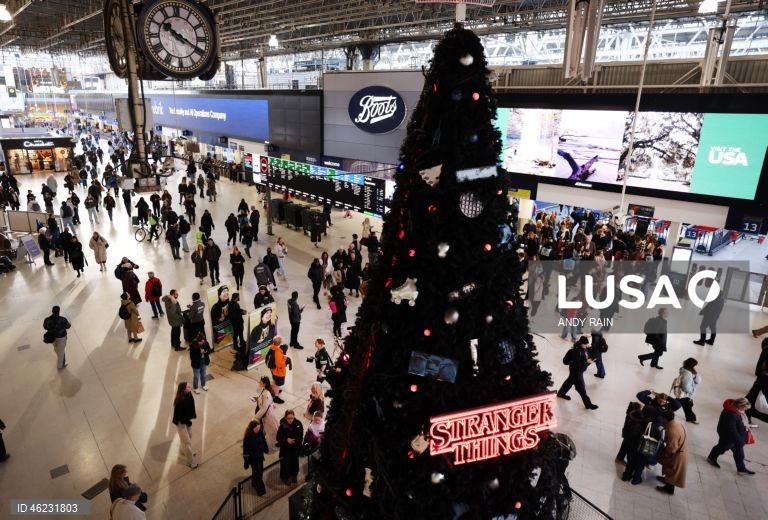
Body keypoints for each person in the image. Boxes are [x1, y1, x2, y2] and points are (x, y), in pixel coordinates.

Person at [707, 397, 756, 475]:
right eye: (745, 408)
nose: (745, 410)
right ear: (740, 405)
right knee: (722, 448)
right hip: (728, 437)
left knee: (739, 453)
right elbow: (731, 429)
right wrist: (739, 440)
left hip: (735, 438)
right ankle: (711, 458)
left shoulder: (737, 411)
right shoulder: (731, 414)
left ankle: (741, 469)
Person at [557, 336, 599, 410]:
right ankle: (588, 404)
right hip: (576, 372)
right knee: (582, 389)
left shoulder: (582, 349)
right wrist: (587, 362)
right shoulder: (576, 352)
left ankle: (561, 393)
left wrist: (589, 360)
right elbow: (577, 364)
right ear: (582, 344)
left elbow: (583, 358)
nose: (586, 346)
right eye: (585, 344)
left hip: (578, 371)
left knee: (569, 381)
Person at [655, 410, 688, 495]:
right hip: (681, 450)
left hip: (677, 454)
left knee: (673, 471)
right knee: (670, 469)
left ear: (665, 419)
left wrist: (666, 454)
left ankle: (669, 489)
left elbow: (672, 448)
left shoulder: (672, 430)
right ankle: (666, 479)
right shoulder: (676, 423)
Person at [171, 382, 198, 468]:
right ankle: (191, 462)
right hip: (180, 422)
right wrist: (187, 421)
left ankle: (184, 451)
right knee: (187, 443)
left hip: (186, 421)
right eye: (188, 387)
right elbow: (179, 417)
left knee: (190, 436)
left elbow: (191, 408)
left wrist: (190, 419)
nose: (190, 387)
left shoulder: (189, 395)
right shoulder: (179, 401)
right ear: (183, 390)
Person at [277, 409, 304, 485]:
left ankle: (294, 475)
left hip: (295, 449)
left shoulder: (298, 423)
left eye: (292, 418)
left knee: (295, 463)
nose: (291, 420)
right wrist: (286, 440)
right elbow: (278, 437)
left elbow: (301, 435)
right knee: (285, 465)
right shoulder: (282, 426)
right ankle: (286, 478)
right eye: (289, 418)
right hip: (286, 450)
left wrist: (297, 442)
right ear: (285, 418)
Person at [243, 420, 269, 496]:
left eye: (259, 428)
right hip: (253, 460)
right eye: (257, 429)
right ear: (252, 428)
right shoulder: (248, 438)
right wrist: (246, 462)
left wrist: (266, 448)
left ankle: (254, 483)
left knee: (259, 472)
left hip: (260, 457)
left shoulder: (260, 433)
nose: (258, 430)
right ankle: (261, 491)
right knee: (258, 474)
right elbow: (246, 451)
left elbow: (263, 441)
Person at [253, 376, 280, 445]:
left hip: (267, 414)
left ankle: (278, 440)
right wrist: (256, 399)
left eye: (261, 382)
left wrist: (256, 417)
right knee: (268, 427)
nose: (259, 382)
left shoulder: (266, 394)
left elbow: (264, 408)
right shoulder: (263, 390)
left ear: (264, 384)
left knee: (273, 428)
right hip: (264, 412)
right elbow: (260, 397)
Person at [674, 358, 702, 424]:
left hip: (684, 394)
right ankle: (664, 411)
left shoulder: (685, 369)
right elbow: (685, 386)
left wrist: (695, 374)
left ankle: (690, 418)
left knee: (687, 406)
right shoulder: (688, 374)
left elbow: (698, 381)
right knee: (677, 405)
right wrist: (691, 391)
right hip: (685, 394)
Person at [268, 336, 289, 404]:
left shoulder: (272, 348)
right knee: (278, 384)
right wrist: (285, 358)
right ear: (280, 343)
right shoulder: (278, 352)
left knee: (274, 380)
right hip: (278, 372)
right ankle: (275, 397)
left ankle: (274, 391)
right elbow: (279, 364)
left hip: (273, 370)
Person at [229, 292, 247, 364]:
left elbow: (237, 310)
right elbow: (235, 314)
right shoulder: (234, 305)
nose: (239, 298)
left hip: (237, 322)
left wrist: (242, 311)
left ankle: (242, 342)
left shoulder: (232, 304)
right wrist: (243, 312)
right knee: (237, 333)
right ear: (236, 297)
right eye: (238, 296)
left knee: (240, 332)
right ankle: (236, 345)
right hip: (237, 322)